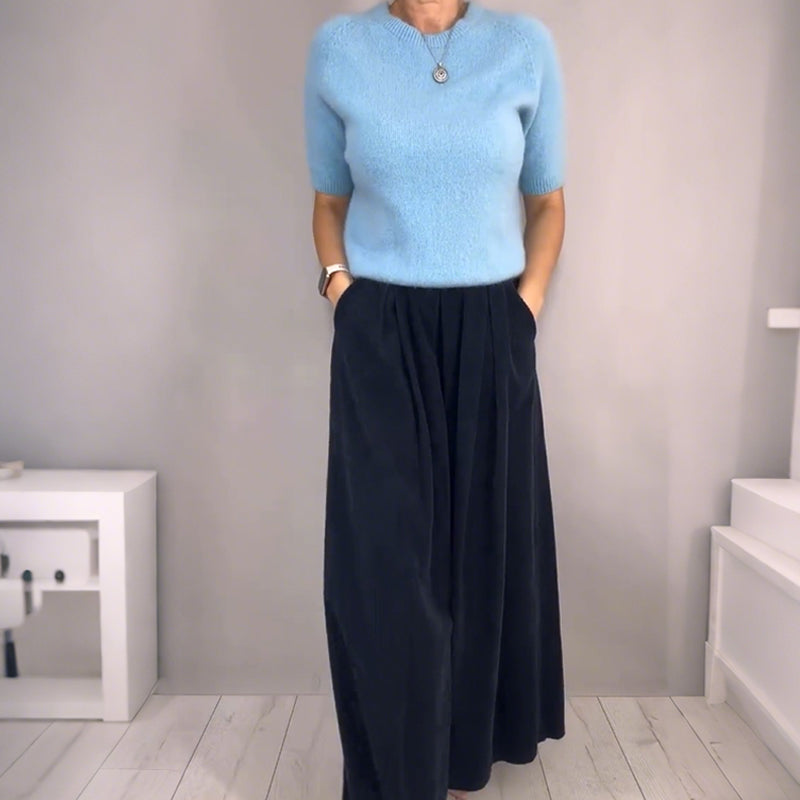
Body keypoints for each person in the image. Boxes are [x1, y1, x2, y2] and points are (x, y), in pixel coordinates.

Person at [303, 1, 567, 798]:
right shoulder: (339, 48)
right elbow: (328, 202)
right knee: (383, 568)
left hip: (491, 326)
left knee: (483, 554)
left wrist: (524, 310)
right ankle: (397, 774)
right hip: (381, 329)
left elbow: (549, 203)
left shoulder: (523, 46)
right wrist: (341, 291)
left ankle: (457, 764)